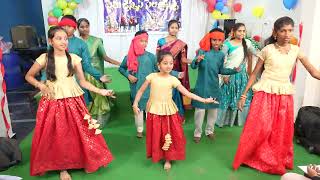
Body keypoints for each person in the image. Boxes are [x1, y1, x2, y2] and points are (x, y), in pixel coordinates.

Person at [232, 16, 320, 175]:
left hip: (284, 95)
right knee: (261, 127)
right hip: (265, 93)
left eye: (290, 30)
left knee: (280, 130)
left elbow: (313, 72)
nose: (287, 34)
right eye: (283, 30)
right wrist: (243, 95)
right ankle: (250, 156)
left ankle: (273, 159)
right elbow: (254, 74)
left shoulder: (296, 50)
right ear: (275, 32)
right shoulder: (267, 50)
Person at [25, 26, 114, 179]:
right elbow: (29, 76)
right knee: (58, 134)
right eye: (59, 38)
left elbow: (83, 82)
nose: (63, 41)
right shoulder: (45, 58)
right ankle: (62, 167)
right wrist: (40, 85)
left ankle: (86, 160)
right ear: (50, 41)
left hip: (74, 99)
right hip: (53, 101)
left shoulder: (73, 58)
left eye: (65, 38)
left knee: (81, 131)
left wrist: (101, 91)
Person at [132, 51, 217, 171]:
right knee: (157, 135)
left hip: (168, 112)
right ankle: (158, 154)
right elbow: (140, 91)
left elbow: (187, 93)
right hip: (154, 111)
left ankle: (168, 158)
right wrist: (135, 103)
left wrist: (204, 100)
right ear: (158, 65)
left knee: (168, 135)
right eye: (165, 63)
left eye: (171, 63)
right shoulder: (151, 77)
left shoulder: (173, 79)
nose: (168, 66)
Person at [119, 30, 183, 138]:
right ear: (135, 42)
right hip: (136, 89)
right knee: (138, 111)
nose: (144, 43)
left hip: (150, 89)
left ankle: (152, 129)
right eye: (141, 41)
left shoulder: (151, 57)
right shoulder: (129, 57)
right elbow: (121, 68)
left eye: (146, 41)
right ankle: (139, 129)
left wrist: (176, 74)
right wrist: (128, 75)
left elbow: (161, 68)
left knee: (151, 111)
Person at [191, 28, 239, 143]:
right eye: (214, 40)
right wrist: (197, 60)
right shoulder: (202, 52)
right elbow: (193, 66)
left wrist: (233, 71)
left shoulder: (221, 55)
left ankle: (209, 131)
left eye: (219, 40)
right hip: (201, 86)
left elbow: (221, 70)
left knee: (213, 111)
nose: (216, 43)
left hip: (214, 86)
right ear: (210, 39)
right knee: (200, 111)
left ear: (222, 41)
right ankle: (197, 133)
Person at [78, 18, 120, 127]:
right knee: (85, 96)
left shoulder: (97, 41)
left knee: (98, 96)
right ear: (77, 28)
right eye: (82, 27)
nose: (85, 29)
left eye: (87, 26)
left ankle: (99, 119)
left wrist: (120, 63)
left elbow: (105, 57)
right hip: (81, 74)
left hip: (96, 74)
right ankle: (88, 118)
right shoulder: (76, 42)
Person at [216, 23, 257, 127]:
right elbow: (222, 60)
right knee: (227, 97)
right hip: (229, 75)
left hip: (242, 76)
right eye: (239, 31)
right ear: (234, 32)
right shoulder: (227, 44)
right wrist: (224, 75)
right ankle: (224, 121)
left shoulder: (247, 43)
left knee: (241, 96)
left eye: (244, 31)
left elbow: (257, 53)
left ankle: (239, 121)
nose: (242, 33)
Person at [156, 20, 192, 121]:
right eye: (172, 27)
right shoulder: (161, 41)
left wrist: (194, 60)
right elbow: (158, 56)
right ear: (168, 28)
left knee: (175, 94)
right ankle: (163, 116)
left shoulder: (181, 44)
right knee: (164, 94)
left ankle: (177, 116)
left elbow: (183, 59)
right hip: (163, 71)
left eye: (176, 28)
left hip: (175, 72)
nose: (174, 30)